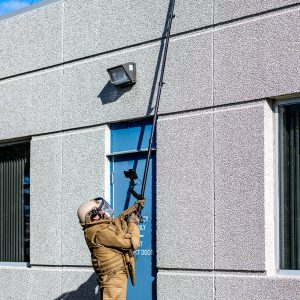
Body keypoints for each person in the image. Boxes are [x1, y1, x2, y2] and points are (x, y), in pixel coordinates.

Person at [77, 197, 144, 300]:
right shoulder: (100, 232)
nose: (103, 213)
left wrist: (133, 208)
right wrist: (133, 223)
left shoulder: (96, 228)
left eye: (100, 210)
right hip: (113, 279)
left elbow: (116, 222)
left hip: (113, 277)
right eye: (97, 213)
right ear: (90, 218)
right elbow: (131, 243)